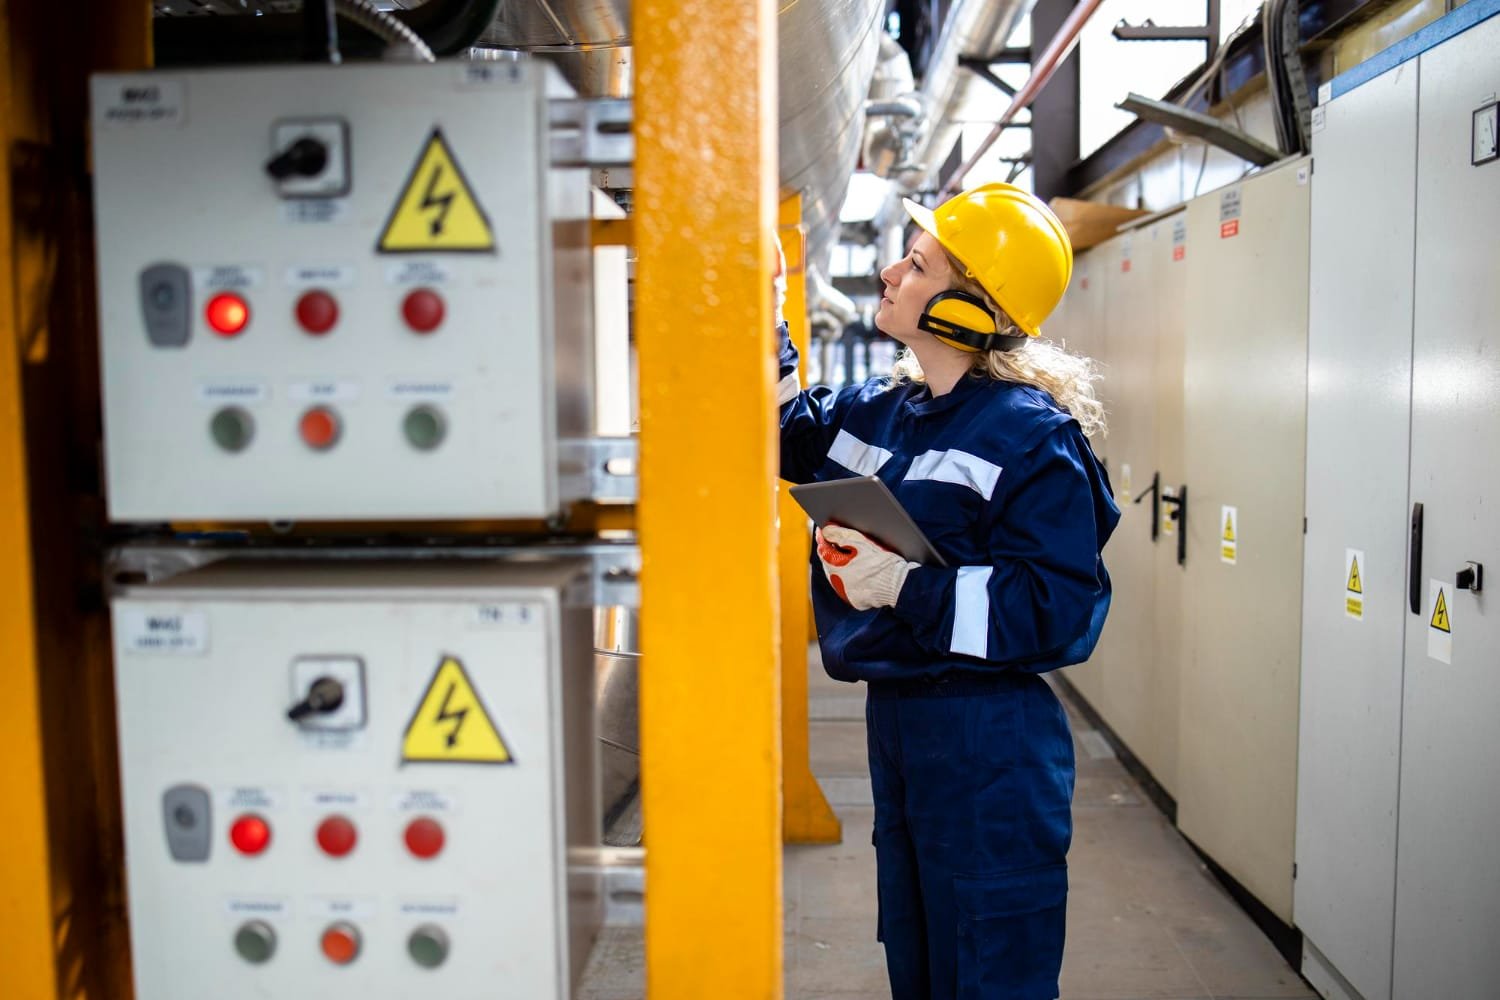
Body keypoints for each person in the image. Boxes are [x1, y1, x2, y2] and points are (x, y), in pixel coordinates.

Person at [777, 182, 1119, 1000]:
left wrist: (906, 586)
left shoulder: (1032, 437)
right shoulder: (884, 412)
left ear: (969, 309)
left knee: (987, 958)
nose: (891, 273)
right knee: (920, 948)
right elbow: (783, 433)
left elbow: (1057, 609)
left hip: (987, 738)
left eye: (918, 263)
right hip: (899, 722)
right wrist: (764, 324)